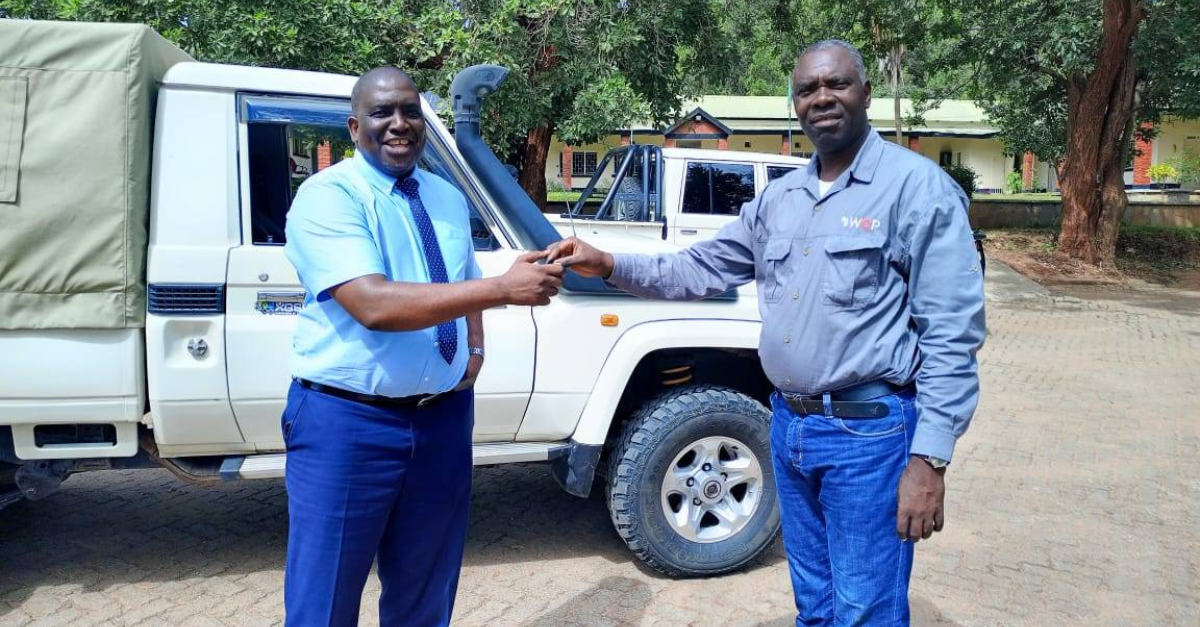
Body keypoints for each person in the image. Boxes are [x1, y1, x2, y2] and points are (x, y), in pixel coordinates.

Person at [546, 40, 986, 627]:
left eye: (836, 84)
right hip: (790, 428)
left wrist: (930, 460)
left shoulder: (917, 190)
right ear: (795, 104)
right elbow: (698, 270)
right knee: (815, 604)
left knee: (866, 610)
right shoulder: (780, 199)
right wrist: (607, 263)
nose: (821, 98)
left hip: (868, 437)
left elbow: (952, 335)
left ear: (866, 93)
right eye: (807, 90)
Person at [281, 66, 563, 627]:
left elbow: (459, 280)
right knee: (324, 602)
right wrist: (503, 289)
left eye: (411, 111)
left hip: (442, 422)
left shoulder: (445, 196)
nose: (399, 124)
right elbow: (373, 304)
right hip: (348, 424)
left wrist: (474, 351)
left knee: (426, 596)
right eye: (382, 112)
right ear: (354, 127)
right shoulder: (328, 196)